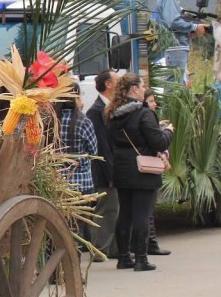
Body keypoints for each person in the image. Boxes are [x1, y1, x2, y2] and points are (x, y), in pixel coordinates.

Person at [106, 73, 173, 272]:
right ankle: (141, 259)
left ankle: (124, 257)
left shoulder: (113, 112)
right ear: (134, 89)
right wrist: (168, 131)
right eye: (143, 86)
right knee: (142, 213)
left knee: (125, 213)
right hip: (142, 168)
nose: (145, 90)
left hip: (121, 167)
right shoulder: (144, 113)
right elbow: (158, 142)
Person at [55, 82, 98, 243]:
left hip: (56, 184)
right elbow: (93, 152)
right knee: (76, 231)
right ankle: (73, 265)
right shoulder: (83, 121)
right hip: (81, 185)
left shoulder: (51, 121)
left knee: (57, 230)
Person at [85, 69, 120, 258]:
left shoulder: (110, 108)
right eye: (117, 80)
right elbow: (101, 147)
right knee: (105, 208)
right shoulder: (96, 111)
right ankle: (99, 248)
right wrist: (110, 173)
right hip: (103, 170)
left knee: (114, 209)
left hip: (111, 167)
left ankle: (113, 248)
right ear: (108, 84)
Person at [154, 0, 206, 83]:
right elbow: (173, 21)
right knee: (175, 85)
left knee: (177, 82)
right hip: (175, 48)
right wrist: (194, 27)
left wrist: (188, 31)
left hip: (174, 47)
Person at [143, 89, 171, 256]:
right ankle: (149, 243)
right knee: (146, 209)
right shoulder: (146, 117)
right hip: (146, 168)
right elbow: (156, 143)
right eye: (152, 100)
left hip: (148, 167)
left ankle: (150, 241)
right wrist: (167, 132)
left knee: (149, 208)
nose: (154, 104)